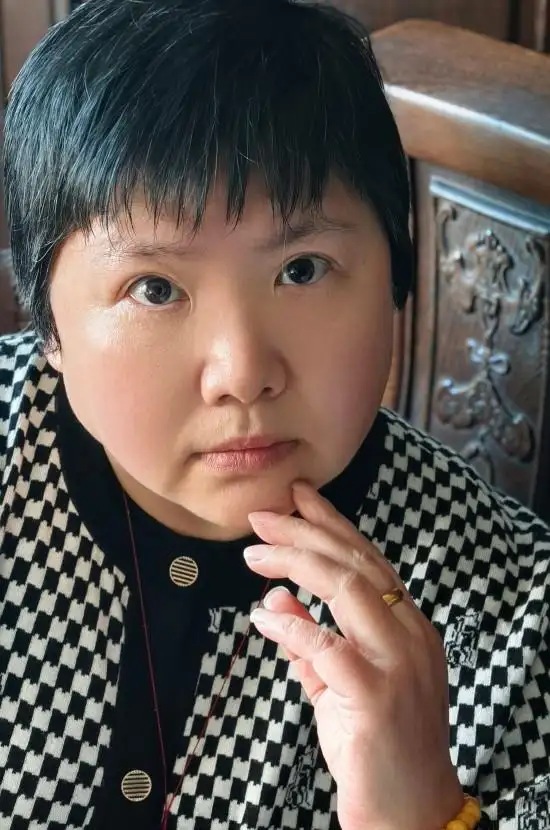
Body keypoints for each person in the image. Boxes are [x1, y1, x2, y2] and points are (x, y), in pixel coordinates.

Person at [1, 0, 549, 828]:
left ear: (397, 282)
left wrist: (426, 813)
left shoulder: (515, 617)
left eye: (302, 269)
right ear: (48, 324)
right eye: (155, 288)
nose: (244, 374)